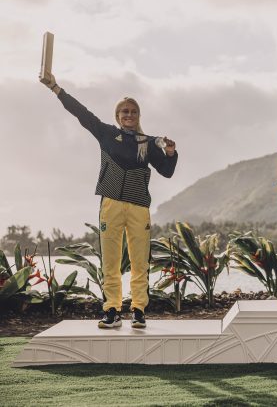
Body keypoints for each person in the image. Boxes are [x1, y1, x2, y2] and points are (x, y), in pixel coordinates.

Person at [41, 75, 178, 328]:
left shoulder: (147, 143)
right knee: (110, 261)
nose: (129, 114)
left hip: (138, 207)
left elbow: (167, 171)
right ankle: (112, 311)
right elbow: (81, 113)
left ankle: (138, 310)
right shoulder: (105, 133)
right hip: (111, 204)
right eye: (124, 111)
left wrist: (170, 153)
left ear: (138, 116)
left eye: (133, 111)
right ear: (117, 116)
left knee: (139, 261)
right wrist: (56, 88)